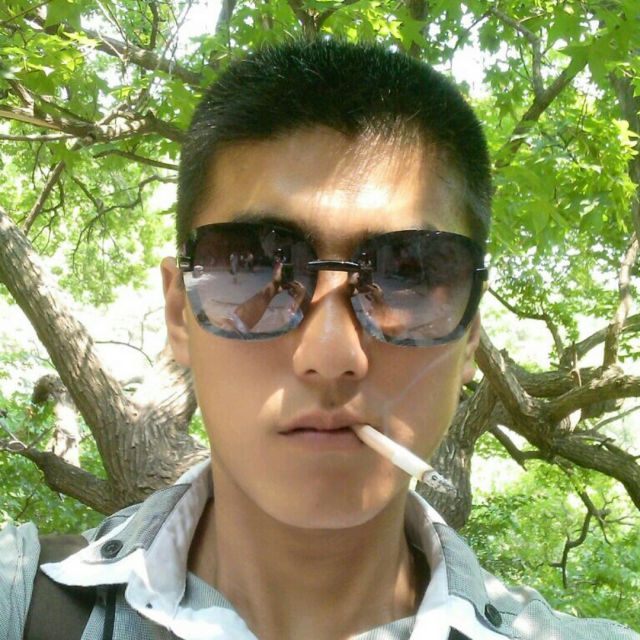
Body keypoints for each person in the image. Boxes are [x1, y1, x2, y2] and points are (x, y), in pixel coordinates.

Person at [1, 40, 638, 640]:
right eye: (255, 266)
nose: (331, 357)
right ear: (178, 314)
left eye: (408, 275)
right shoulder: (20, 600)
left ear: (470, 334)